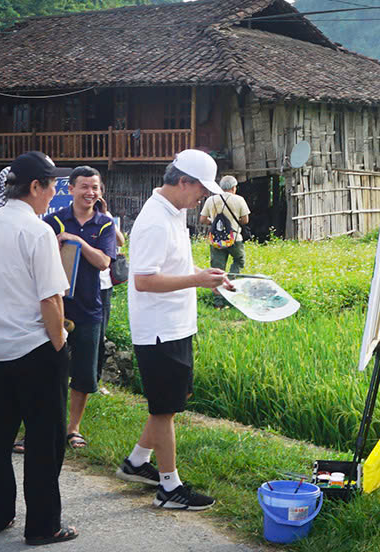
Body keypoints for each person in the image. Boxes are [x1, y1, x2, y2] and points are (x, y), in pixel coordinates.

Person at [0, 151, 78, 544]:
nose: (54, 195)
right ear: (35, 187)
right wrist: (60, 342)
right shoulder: (37, 230)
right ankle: (43, 525)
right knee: (45, 441)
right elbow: (51, 300)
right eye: (52, 187)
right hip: (35, 349)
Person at [116, 149, 231, 510]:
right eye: (201, 190)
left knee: (167, 404)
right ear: (183, 182)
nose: (203, 198)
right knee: (164, 409)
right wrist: (196, 280)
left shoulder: (175, 212)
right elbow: (144, 281)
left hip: (176, 324)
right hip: (159, 329)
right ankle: (169, 488)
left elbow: (176, 265)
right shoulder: (154, 220)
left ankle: (136, 463)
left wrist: (206, 279)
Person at [43, 166, 118, 450]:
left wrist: (77, 241)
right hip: (56, 306)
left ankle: (73, 429)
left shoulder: (105, 224)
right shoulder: (53, 221)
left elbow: (103, 262)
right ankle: (45, 426)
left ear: (100, 191)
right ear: (71, 189)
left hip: (89, 307)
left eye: (95, 188)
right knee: (50, 369)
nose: (90, 193)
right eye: (84, 187)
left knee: (84, 373)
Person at [94, 183, 124, 389]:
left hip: (104, 284)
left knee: (100, 331)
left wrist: (107, 216)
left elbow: (120, 241)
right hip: (83, 283)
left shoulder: (105, 218)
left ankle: (95, 377)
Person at [198, 175, 250, 274]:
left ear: (221, 188)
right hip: (234, 238)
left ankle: (218, 287)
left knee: (217, 267)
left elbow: (202, 219)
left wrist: (214, 223)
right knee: (239, 260)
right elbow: (245, 220)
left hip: (216, 238)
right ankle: (232, 281)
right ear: (234, 187)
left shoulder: (211, 200)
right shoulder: (239, 199)